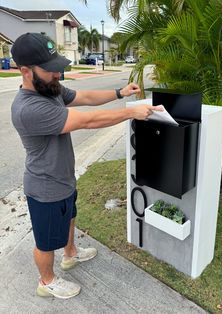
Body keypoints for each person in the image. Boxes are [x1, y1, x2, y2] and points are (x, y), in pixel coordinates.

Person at [11, 32, 163, 300]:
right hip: (45, 187)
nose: (58, 75)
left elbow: (85, 97)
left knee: (70, 216)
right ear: (25, 71)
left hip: (64, 177)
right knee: (45, 242)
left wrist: (120, 92)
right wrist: (130, 112)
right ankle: (47, 281)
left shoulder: (50, 89)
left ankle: (70, 255)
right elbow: (87, 121)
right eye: (50, 70)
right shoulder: (28, 108)